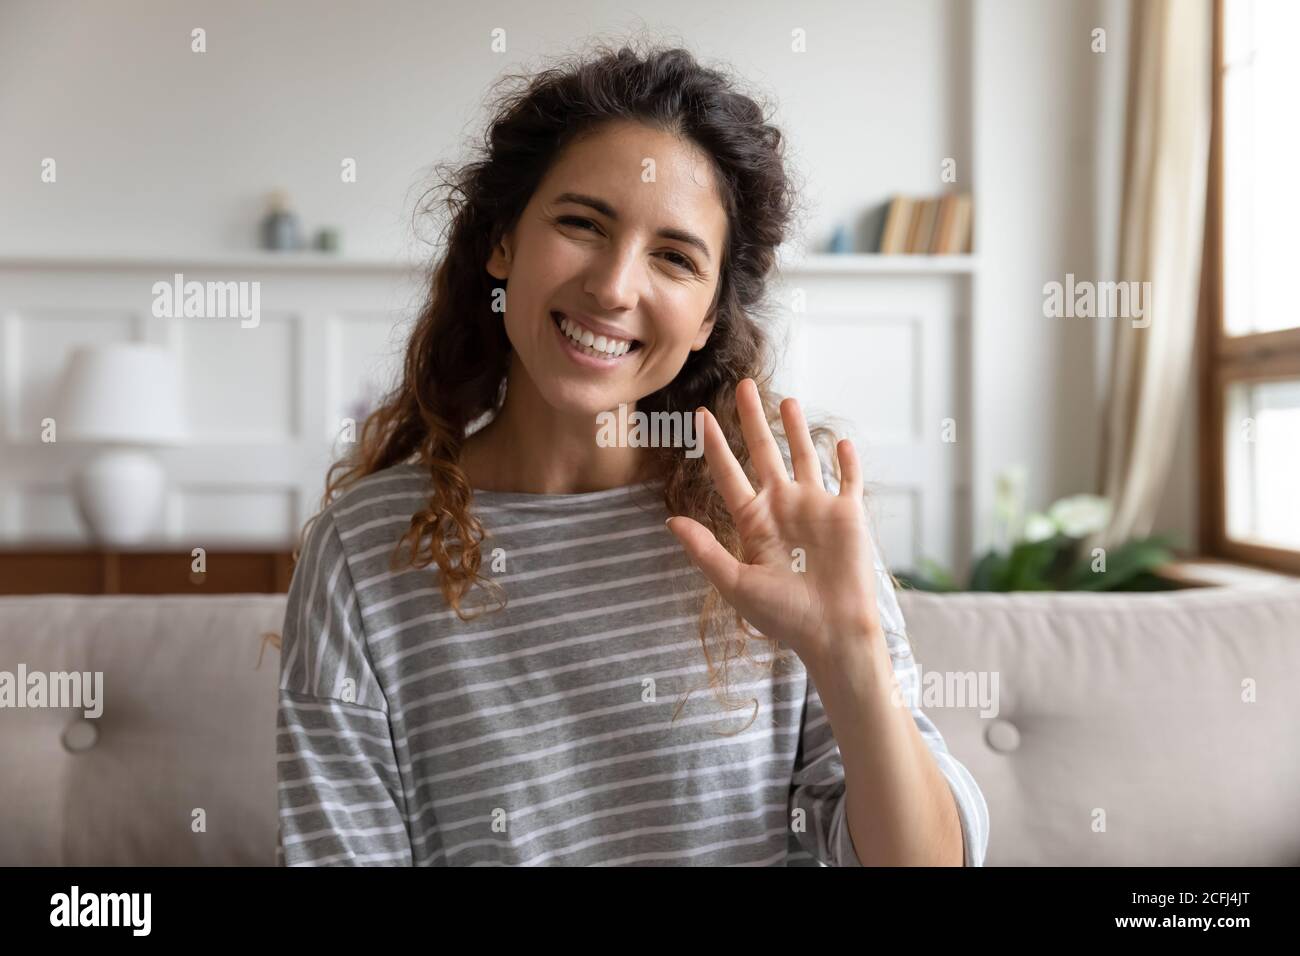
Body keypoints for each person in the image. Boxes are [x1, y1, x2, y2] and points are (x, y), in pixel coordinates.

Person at [276, 42, 989, 867]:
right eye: (581, 223)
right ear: (502, 243)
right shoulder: (362, 551)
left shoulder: (782, 518)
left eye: (675, 258)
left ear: (709, 319)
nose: (614, 287)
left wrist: (851, 654)